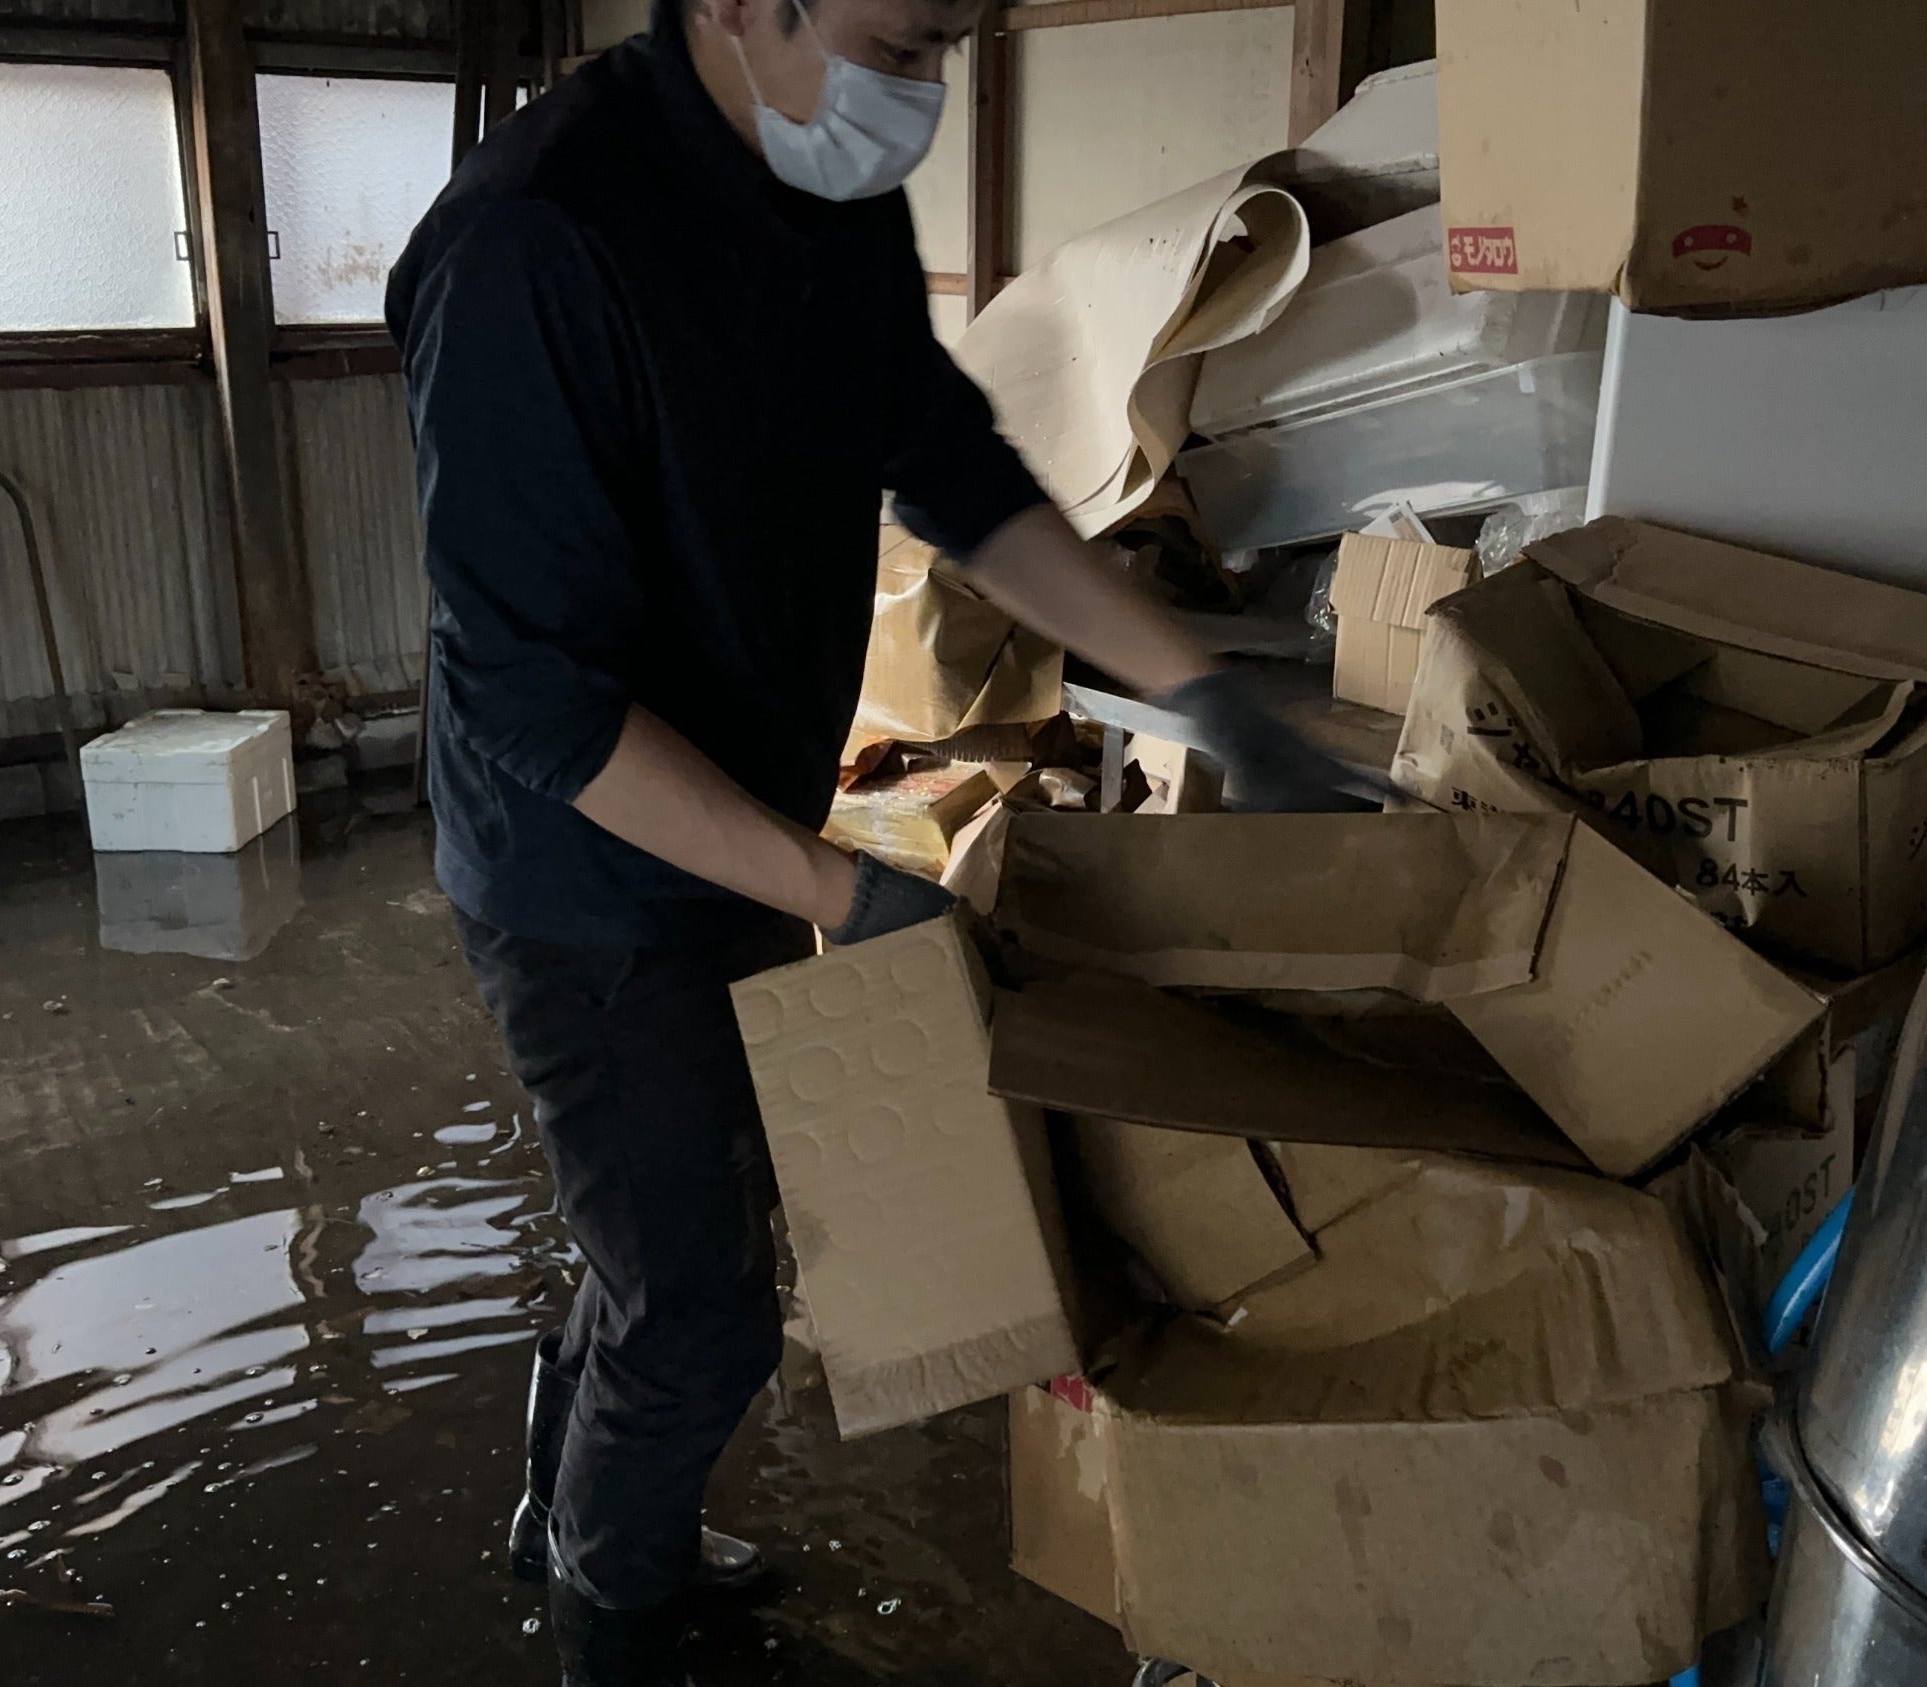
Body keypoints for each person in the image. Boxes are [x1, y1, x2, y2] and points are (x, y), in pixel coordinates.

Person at [384, 0, 1373, 1675]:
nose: (921, 95)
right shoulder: (531, 247)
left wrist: (1198, 688)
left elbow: (956, 476)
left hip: (748, 814)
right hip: (585, 869)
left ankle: (570, 1500)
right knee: (702, 1311)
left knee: (675, 1223)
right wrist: (841, 890)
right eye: (899, 46)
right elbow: (535, 707)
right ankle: (611, 1627)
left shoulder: (819, 190)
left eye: (942, 54)